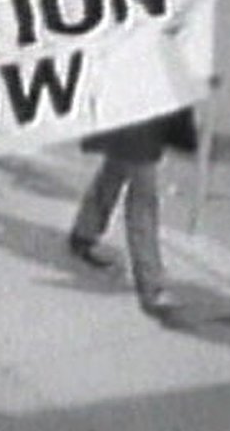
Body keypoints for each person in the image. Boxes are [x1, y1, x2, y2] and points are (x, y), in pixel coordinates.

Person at [68, 108, 197, 319]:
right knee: (142, 196)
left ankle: (84, 231)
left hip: (131, 116)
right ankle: (150, 284)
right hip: (142, 120)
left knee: (117, 167)